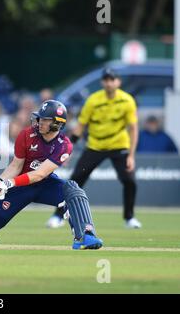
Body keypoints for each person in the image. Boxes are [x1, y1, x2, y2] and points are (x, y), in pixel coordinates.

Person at [0, 100, 104, 250]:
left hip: (43, 184)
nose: (39, 122)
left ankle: (85, 235)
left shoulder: (64, 145)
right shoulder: (26, 135)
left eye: (44, 119)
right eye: (39, 118)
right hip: (18, 188)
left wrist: (8, 183)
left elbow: (40, 174)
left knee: (72, 190)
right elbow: (15, 165)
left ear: (57, 123)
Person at [47, 68, 141, 229]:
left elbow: (133, 129)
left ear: (118, 82)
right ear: (102, 82)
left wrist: (131, 156)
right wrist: (67, 150)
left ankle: (129, 218)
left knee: (129, 181)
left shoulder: (127, 101)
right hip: (95, 145)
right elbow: (80, 127)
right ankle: (58, 216)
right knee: (75, 180)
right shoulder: (93, 100)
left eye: (112, 79)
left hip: (119, 146)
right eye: (106, 79)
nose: (109, 83)